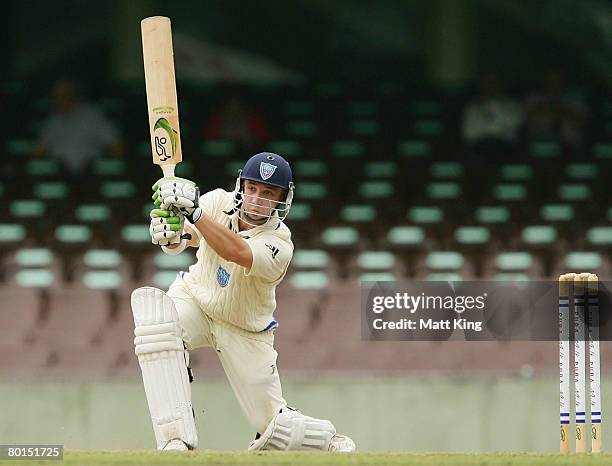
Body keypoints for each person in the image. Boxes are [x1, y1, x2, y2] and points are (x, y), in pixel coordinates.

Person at [132, 152, 355, 452]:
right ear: (241, 185)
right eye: (252, 188)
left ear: (282, 198)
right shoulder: (217, 202)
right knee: (157, 325)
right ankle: (176, 438)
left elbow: (235, 251)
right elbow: (188, 238)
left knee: (274, 429)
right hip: (196, 300)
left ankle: (328, 440)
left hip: (244, 328)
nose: (257, 198)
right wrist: (172, 235)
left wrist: (195, 214)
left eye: (268, 192)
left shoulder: (280, 244)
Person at [32, 78, 123, 173]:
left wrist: (109, 172)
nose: (57, 100)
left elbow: (117, 147)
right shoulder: (53, 121)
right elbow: (38, 151)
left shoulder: (93, 115)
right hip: (58, 174)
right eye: (55, 96)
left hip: (89, 175)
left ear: (72, 94)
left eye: (62, 95)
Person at [462, 72, 523, 158]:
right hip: (480, 150)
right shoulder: (472, 108)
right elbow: (470, 134)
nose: (491, 86)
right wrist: (498, 128)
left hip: (507, 148)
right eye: (487, 82)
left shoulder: (512, 105)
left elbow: (513, 129)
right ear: (481, 85)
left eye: (494, 82)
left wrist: (489, 123)